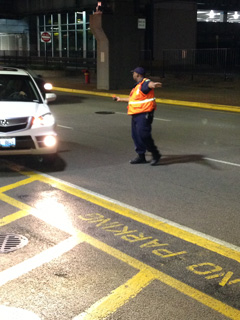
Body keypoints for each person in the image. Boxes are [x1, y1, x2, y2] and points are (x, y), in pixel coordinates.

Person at [115, 67, 162, 166]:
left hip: (144, 114)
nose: (133, 75)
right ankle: (141, 156)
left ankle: (155, 154)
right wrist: (120, 99)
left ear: (138, 74)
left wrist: (154, 85)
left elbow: (149, 84)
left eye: (134, 73)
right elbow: (132, 99)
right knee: (136, 135)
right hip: (136, 114)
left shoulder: (145, 83)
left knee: (144, 135)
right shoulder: (137, 87)